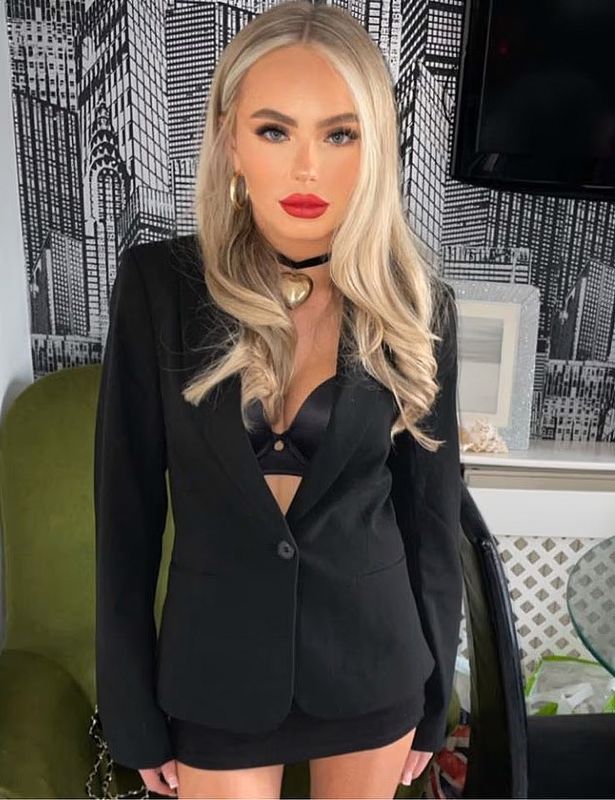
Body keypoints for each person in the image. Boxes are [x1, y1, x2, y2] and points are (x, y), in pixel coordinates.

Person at [94, 2, 463, 798]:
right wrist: (130, 709)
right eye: (273, 130)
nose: (306, 169)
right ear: (230, 139)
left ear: (373, 148)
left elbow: (430, 519)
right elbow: (125, 514)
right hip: (215, 674)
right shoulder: (160, 287)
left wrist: (436, 700)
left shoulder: (415, 304)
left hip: (373, 669)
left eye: (339, 134)